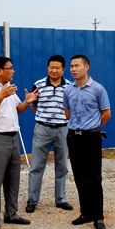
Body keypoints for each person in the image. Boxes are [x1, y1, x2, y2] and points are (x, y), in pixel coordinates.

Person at [0, 56, 38, 229]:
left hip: (13, 137)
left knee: (13, 179)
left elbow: (17, 109)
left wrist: (27, 102)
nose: (13, 71)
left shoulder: (8, 87)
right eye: (9, 68)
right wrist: (1, 96)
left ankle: (11, 214)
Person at [63, 54, 111, 229]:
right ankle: (86, 213)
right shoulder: (68, 90)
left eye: (77, 66)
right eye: (71, 66)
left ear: (86, 67)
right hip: (73, 137)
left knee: (94, 178)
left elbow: (106, 114)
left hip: (91, 138)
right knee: (79, 176)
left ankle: (98, 217)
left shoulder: (98, 89)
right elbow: (67, 112)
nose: (73, 69)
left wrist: (93, 128)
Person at [25, 54, 73, 214]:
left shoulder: (70, 86)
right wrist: (44, 118)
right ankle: (32, 200)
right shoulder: (38, 85)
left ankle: (61, 199)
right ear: (48, 68)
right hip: (42, 129)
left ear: (63, 70)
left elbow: (72, 109)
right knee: (36, 166)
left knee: (62, 166)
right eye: (51, 67)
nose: (54, 70)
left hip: (63, 129)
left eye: (57, 68)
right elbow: (34, 106)